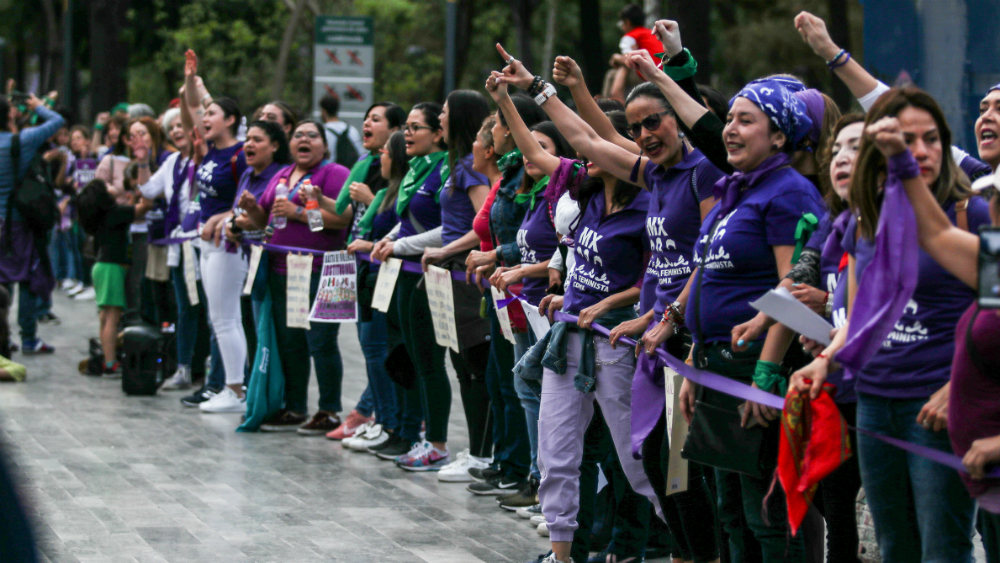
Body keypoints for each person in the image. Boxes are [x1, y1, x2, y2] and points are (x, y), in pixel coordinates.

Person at [790, 87, 984, 563]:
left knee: (943, 548)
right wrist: (825, 361)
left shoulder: (974, 213)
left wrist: (961, 388)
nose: (920, 150)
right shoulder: (864, 222)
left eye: (932, 138)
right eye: (904, 139)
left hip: (938, 409)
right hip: (874, 403)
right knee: (892, 547)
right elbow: (858, 318)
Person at [239, 119, 352, 433]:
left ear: (324, 145)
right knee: (291, 343)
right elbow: (266, 219)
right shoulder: (283, 175)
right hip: (282, 270)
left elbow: (337, 221)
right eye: (298, 135)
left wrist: (299, 212)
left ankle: (329, 410)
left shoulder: (333, 174)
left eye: (312, 136)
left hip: (323, 270)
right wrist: (253, 209)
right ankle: (295, 407)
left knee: (321, 342)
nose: (304, 140)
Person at [370, 102, 453, 471]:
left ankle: (434, 441)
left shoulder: (447, 168)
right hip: (401, 272)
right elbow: (405, 221)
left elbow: (449, 228)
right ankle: (408, 432)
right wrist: (387, 240)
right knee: (407, 357)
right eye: (405, 127)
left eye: (415, 127)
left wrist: (399, 246)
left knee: (429, 362)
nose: (406, 133)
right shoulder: (414, 169)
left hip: (427, 274)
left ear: (438, 133)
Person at [418, 89, 495, 481]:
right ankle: (477, 449)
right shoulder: (457, 166)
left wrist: (447, 248)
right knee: (461, 367)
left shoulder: (469, 168)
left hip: (467, 277)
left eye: (444, 113)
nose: (440, 119)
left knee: (475, 368)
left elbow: (484, 220)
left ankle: (483, 453)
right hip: (449, 272)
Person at [335, 131, 422, 455]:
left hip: (392, 277)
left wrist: (373, 244)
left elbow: (392, 232)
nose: (379, 157)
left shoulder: (397, 193)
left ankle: (396, 423)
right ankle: (388, 422)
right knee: (379, 353)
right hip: (373, 278)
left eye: (385, 151)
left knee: (387, 352)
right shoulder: (387, 191)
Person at [326, 101, 406, 443]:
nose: (366, 124)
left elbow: (394, 214)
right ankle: (381, 418)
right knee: (368, 345)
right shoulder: (363, 163)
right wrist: (315, 200)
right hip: (358, 263)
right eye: (366, 118)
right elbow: (345, 212)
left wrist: (370, 195)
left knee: (378, 346)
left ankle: (390, 422)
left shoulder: (397, 171)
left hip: (382, 265)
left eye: (376, 119)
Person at [182, 50, 251, 414]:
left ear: (231, 121)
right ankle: (231, 386)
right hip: (206, 244)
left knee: (226, 319)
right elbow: (195, 105)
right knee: (219, 318)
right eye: (206, 114)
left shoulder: (240, 155)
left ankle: (236, 390)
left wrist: (220, 218)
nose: (204, 118)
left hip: (228, 243)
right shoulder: (210, 146)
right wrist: (193, 78)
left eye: (212, 115)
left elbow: (250, 202)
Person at [0, 93, 65, 354]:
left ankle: (2, 338)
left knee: (2, 281)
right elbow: (57, 120)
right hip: (20, 223)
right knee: (28, 276)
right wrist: (39, 106)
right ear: (11, 115)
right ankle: (28, 338)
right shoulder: (22, 141)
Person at [76, 178, 153, 376]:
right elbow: (146, 207)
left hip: (102, 266)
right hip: (111, 268)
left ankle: (107, 359)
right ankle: (111, 364)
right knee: (113, 317)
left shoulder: (104, 215)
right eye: (106, 185)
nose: (111, 185)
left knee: (105, 316)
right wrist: (143, 187)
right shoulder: (115, 213)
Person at [320, 93, 366, 167]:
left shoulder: (322, 132)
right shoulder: (352, 129)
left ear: (324, 112)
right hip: (351, 173)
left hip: (332, 173)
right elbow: (360, 154)